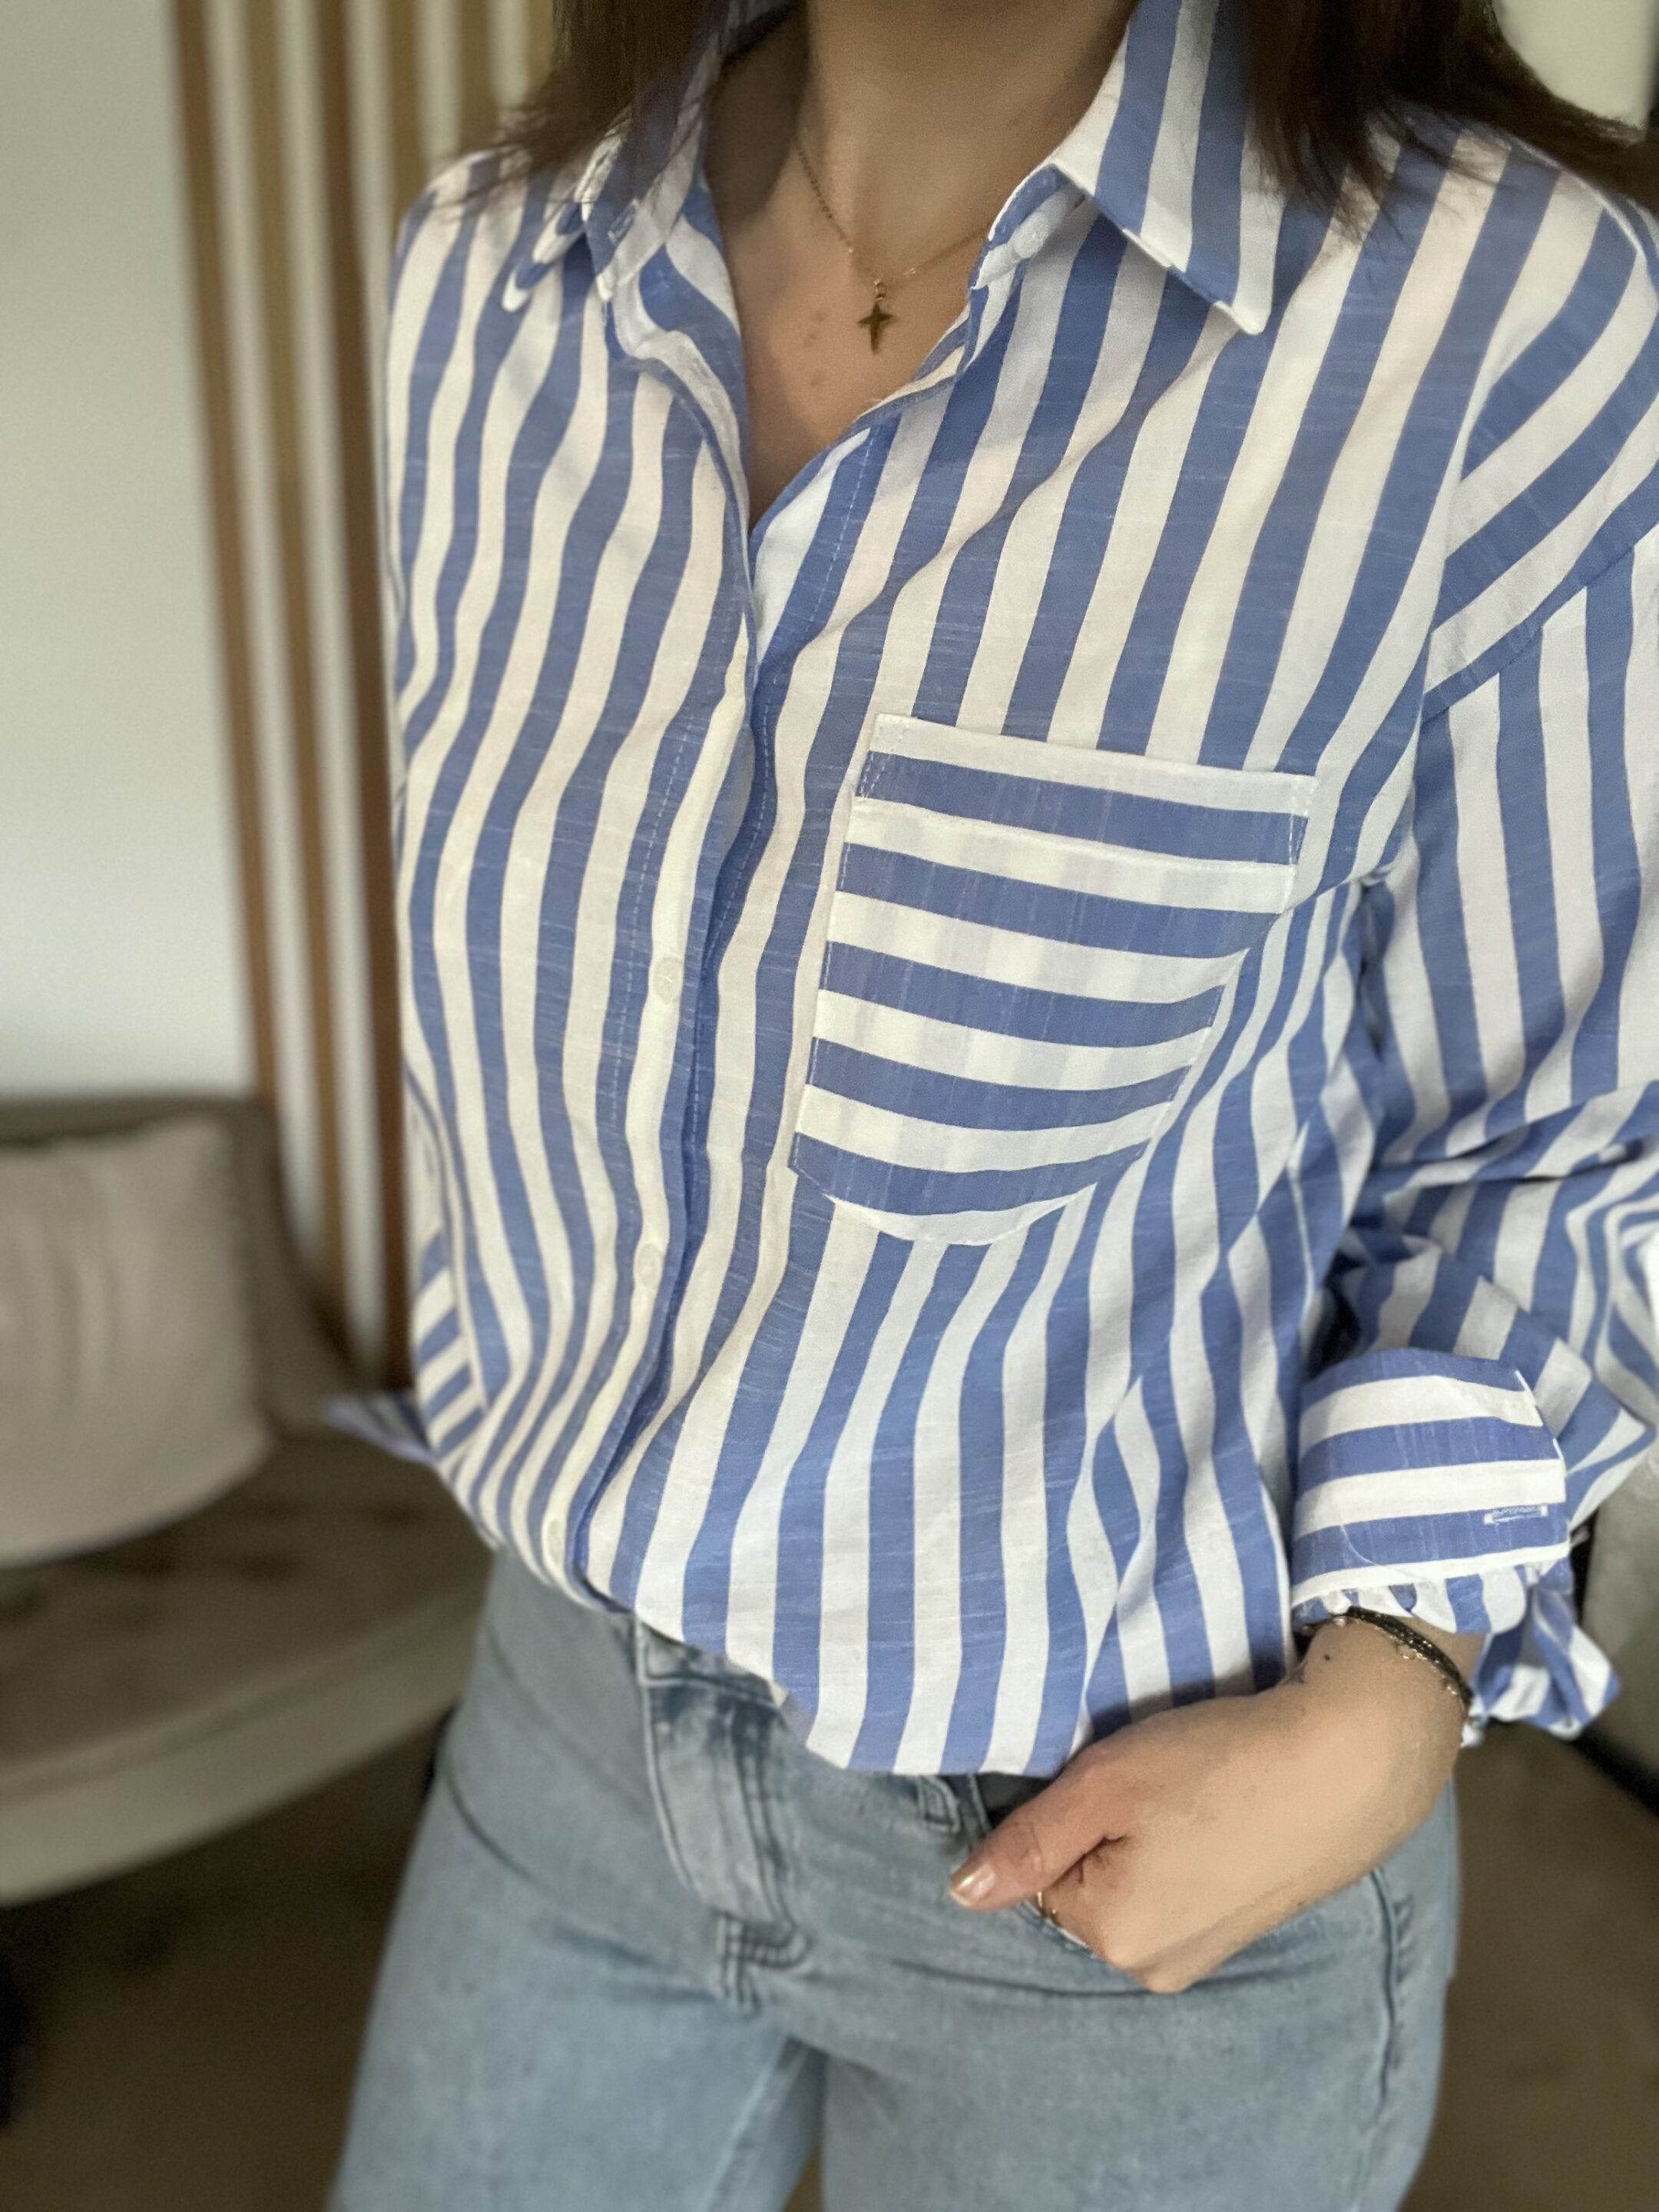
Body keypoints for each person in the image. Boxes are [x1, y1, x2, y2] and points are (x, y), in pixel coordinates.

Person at [329, 1, 1659, 2205]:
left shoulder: (1500, 321)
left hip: (1120, 1822)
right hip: (569, 1724)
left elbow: (1556, 1133)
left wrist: (1389, 1689)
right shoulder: (492, 279)